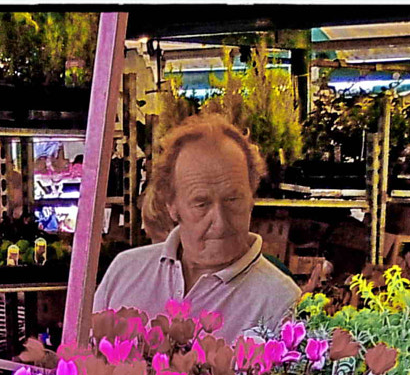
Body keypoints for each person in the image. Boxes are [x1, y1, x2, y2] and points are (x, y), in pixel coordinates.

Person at [94, 112, 300, 335]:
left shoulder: (281, 301)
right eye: (201, 204)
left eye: (233, 200)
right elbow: (83, 360)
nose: (220, 223)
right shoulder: (125, 271)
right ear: (172, 204)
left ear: (252, 197)